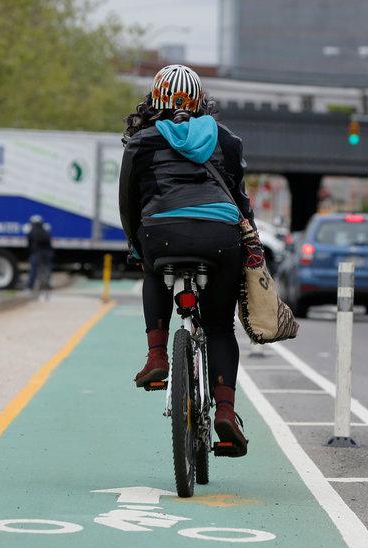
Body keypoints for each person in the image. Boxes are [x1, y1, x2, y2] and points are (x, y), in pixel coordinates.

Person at [118, 64, 256, 456]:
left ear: (153, 101)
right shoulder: (227, 142)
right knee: (219, 327)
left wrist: (136, 244)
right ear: (201, 103)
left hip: (161, 232)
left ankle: (157, 355)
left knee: (151, 268)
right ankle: (226, 411)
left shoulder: (142, 141)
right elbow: (241, 203)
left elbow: (128, 202)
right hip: (220, 237)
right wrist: (250, 245)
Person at [27, 215, 53, 291]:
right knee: (47, 268)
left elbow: (29, 244)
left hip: (37, 253)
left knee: (33, 269)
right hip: (47, 253)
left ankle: (30, 286)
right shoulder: (45, 231)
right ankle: (47, 284)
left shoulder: (32, 231)